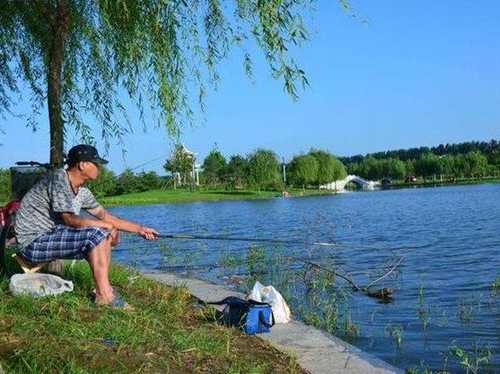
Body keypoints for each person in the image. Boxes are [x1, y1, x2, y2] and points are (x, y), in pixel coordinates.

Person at [15, 144, 158, 307]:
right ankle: (105, 296)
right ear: (82, 164)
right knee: (97, 233)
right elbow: (69, 219)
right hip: (33, 243)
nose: (99, 168)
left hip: (52, 236)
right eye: (95, 163)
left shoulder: (82, 192)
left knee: (103, 231)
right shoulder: (59, 179)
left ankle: (103, 290)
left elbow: (106, 216)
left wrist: (140, 229)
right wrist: (105, 226)